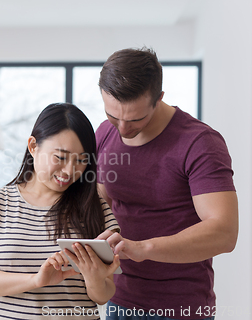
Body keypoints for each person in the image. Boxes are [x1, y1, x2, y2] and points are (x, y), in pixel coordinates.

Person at [95, 48, 238, 320]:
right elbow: (103, 201)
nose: (123, 129)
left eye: (136, 118)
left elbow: (224, 232)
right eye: (113, 115)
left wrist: (142, 248)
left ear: (159, 98)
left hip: (180, 306)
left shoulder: (200, 143)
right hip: (119, 298)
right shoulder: (104, 132)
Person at [0, 103, 121, 320]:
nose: (69, 171)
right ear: (33, 146)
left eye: (81, 160)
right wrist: (36, 280)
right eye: (60, 157)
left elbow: (104, 295)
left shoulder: (96, 208)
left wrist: (94, 278)